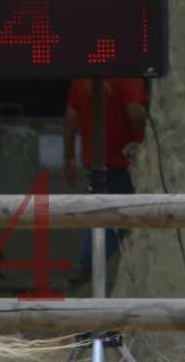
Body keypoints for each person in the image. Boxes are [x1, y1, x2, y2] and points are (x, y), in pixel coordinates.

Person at [63, 77, 147, 286]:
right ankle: (86, 264)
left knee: (101, 216)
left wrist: (69, 157)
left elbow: (71, 117)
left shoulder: (82, 77)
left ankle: (89, 268)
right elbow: (135, 112)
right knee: (116, 220)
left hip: (95, 163)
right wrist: (147, 139)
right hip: (124, 163)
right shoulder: (129, 74)